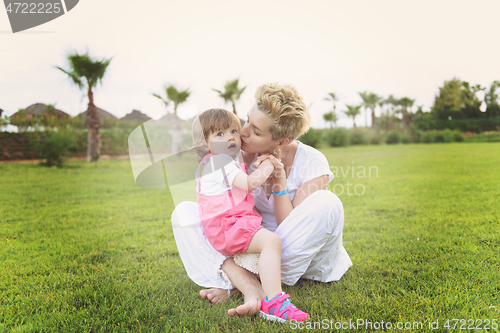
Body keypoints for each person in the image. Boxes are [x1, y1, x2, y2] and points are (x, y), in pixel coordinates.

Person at [171, 83, 352, 317]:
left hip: (295, 249)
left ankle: (237, 279)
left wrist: (279, 179)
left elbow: (291, 225)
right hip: (252, 245)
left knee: (328, 203)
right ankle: (250, 285)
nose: (243, 133)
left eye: (256, 131)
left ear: (280, 142)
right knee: (184, 213)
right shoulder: (232, 154)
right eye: (246, 121)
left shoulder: (313, 162)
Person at [192, 108, 309, 322]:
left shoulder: (217, 162)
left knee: (266, 244)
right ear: (204, 143)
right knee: (271, 242)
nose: (229, 137)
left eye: (233, 131)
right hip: (229, 227)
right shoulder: (219, 162)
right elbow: (251, 183)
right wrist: (269, 164)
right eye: (219, 134)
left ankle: (251, 288)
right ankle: (275, 302)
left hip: (225, 227)